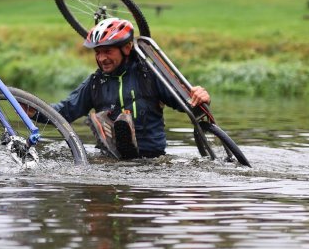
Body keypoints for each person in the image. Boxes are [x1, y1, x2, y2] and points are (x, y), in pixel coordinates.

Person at [52, 17, 211, 160]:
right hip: (111, 161)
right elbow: (64, 111)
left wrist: (200, 96)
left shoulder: (150, 74)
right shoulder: (95, 82)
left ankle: (119, 132)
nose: (101, 58)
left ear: (127, 48)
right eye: (97, 52)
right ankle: (108, 129)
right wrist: (31, 108)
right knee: (98, 125)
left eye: (107, 51)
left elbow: (188, 103)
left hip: (151, 160)